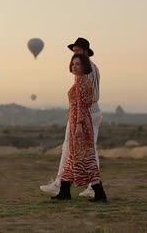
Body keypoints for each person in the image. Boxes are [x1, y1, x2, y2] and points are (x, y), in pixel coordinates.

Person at [40, 37, 103, 198]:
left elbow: (88, 97)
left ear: (86, 52)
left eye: (78, 50)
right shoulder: (86, 70)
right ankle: (72, 186)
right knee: (80, 150)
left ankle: (65, 185)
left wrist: (79, 122)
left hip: (85, 114)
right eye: (74, 51)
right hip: (86, 113)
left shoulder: (87, 70)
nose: (75, 54)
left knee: (75, 149)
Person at [50, 53, 107, 202]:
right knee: (73, 157)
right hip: (79, 121)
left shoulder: (82, 81)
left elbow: (83, 105)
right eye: (73, 64)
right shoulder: (82, 80)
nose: (75, 66)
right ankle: (65, 191)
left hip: (80, 123)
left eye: (78, 64)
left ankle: (99, 192)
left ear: (85, 66)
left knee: (85, 159)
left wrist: (79, 125)